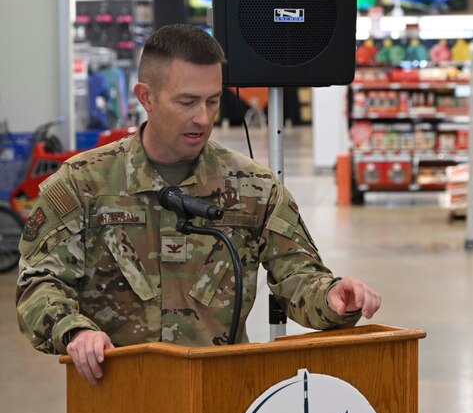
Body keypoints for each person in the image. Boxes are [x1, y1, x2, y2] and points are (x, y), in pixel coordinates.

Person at [16, 24, 381, 390]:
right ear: (146, 97)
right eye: (187, 102)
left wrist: (332, 298)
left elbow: (298, 278)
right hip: (117, 407)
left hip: (219, 411)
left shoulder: (254, 187)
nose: (203, 119)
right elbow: (39, 283)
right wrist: (75, 331)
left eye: (213, 100)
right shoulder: (82, 184)